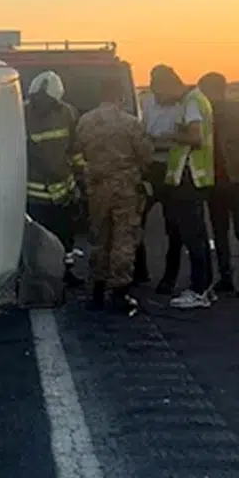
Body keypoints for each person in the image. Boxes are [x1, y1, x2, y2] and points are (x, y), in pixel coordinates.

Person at [75, 76, 153, 312]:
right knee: (123, 239)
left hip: (97, 187)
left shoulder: (85, 122)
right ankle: (119, 291)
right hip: (124, 187)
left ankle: (97, 290)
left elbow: (79, 152)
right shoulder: (129, 123)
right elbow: (145, 155)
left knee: (99, 238)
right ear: (120, 96)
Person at [200, 71, 239, 297]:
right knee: (238, 231)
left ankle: (237, 278)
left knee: (227, 231)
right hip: (231, 179)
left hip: (224, 180)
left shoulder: (208, 113)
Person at [164, 75, 217, 309]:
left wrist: (170, 135)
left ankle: (198, 290)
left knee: (192, 236)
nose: (160, 98)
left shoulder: (192, 103)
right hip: (196, 177)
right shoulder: (197, 99)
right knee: (199, 235)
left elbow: (196, 137)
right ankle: (205, 287)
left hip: (190, 177)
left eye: (159, 92)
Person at [135, 65, 188, 290]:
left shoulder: (184, 106)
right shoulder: (148, 103)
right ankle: (139, 271)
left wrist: (159, 141)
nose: (157, 94)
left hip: (173, 170)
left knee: (174, 227)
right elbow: (143, 136)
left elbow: (183, 140)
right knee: (135, 220)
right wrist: (160, 141)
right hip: (150, 169)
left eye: (159, 90)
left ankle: (169, 277)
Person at [23, 71, 80, 274]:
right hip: (35, 195)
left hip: (64, 191)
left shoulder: (68, 113)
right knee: (37, 239)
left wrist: (80, 177)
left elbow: (75, 148)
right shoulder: (21, 114)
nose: (40, 103)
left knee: (65, 236)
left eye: (45, 99)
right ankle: (38, 275)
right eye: (36, 98)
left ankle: (67, 272)